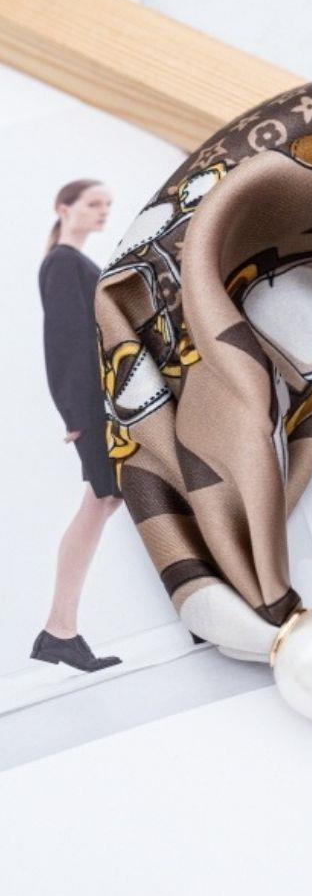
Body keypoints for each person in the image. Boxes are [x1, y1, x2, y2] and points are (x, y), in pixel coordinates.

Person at [32, 179, 123, 672]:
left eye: (106, 205)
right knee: (101, 501)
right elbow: (64, 342)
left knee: (103, 502)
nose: (102, 211)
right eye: (93, 204)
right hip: (91, 407)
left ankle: (59, 631)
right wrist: (76, 416)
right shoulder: (64, 263)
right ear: (63, 208)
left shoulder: (72, 261)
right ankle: (58, 631)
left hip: (99, 403)